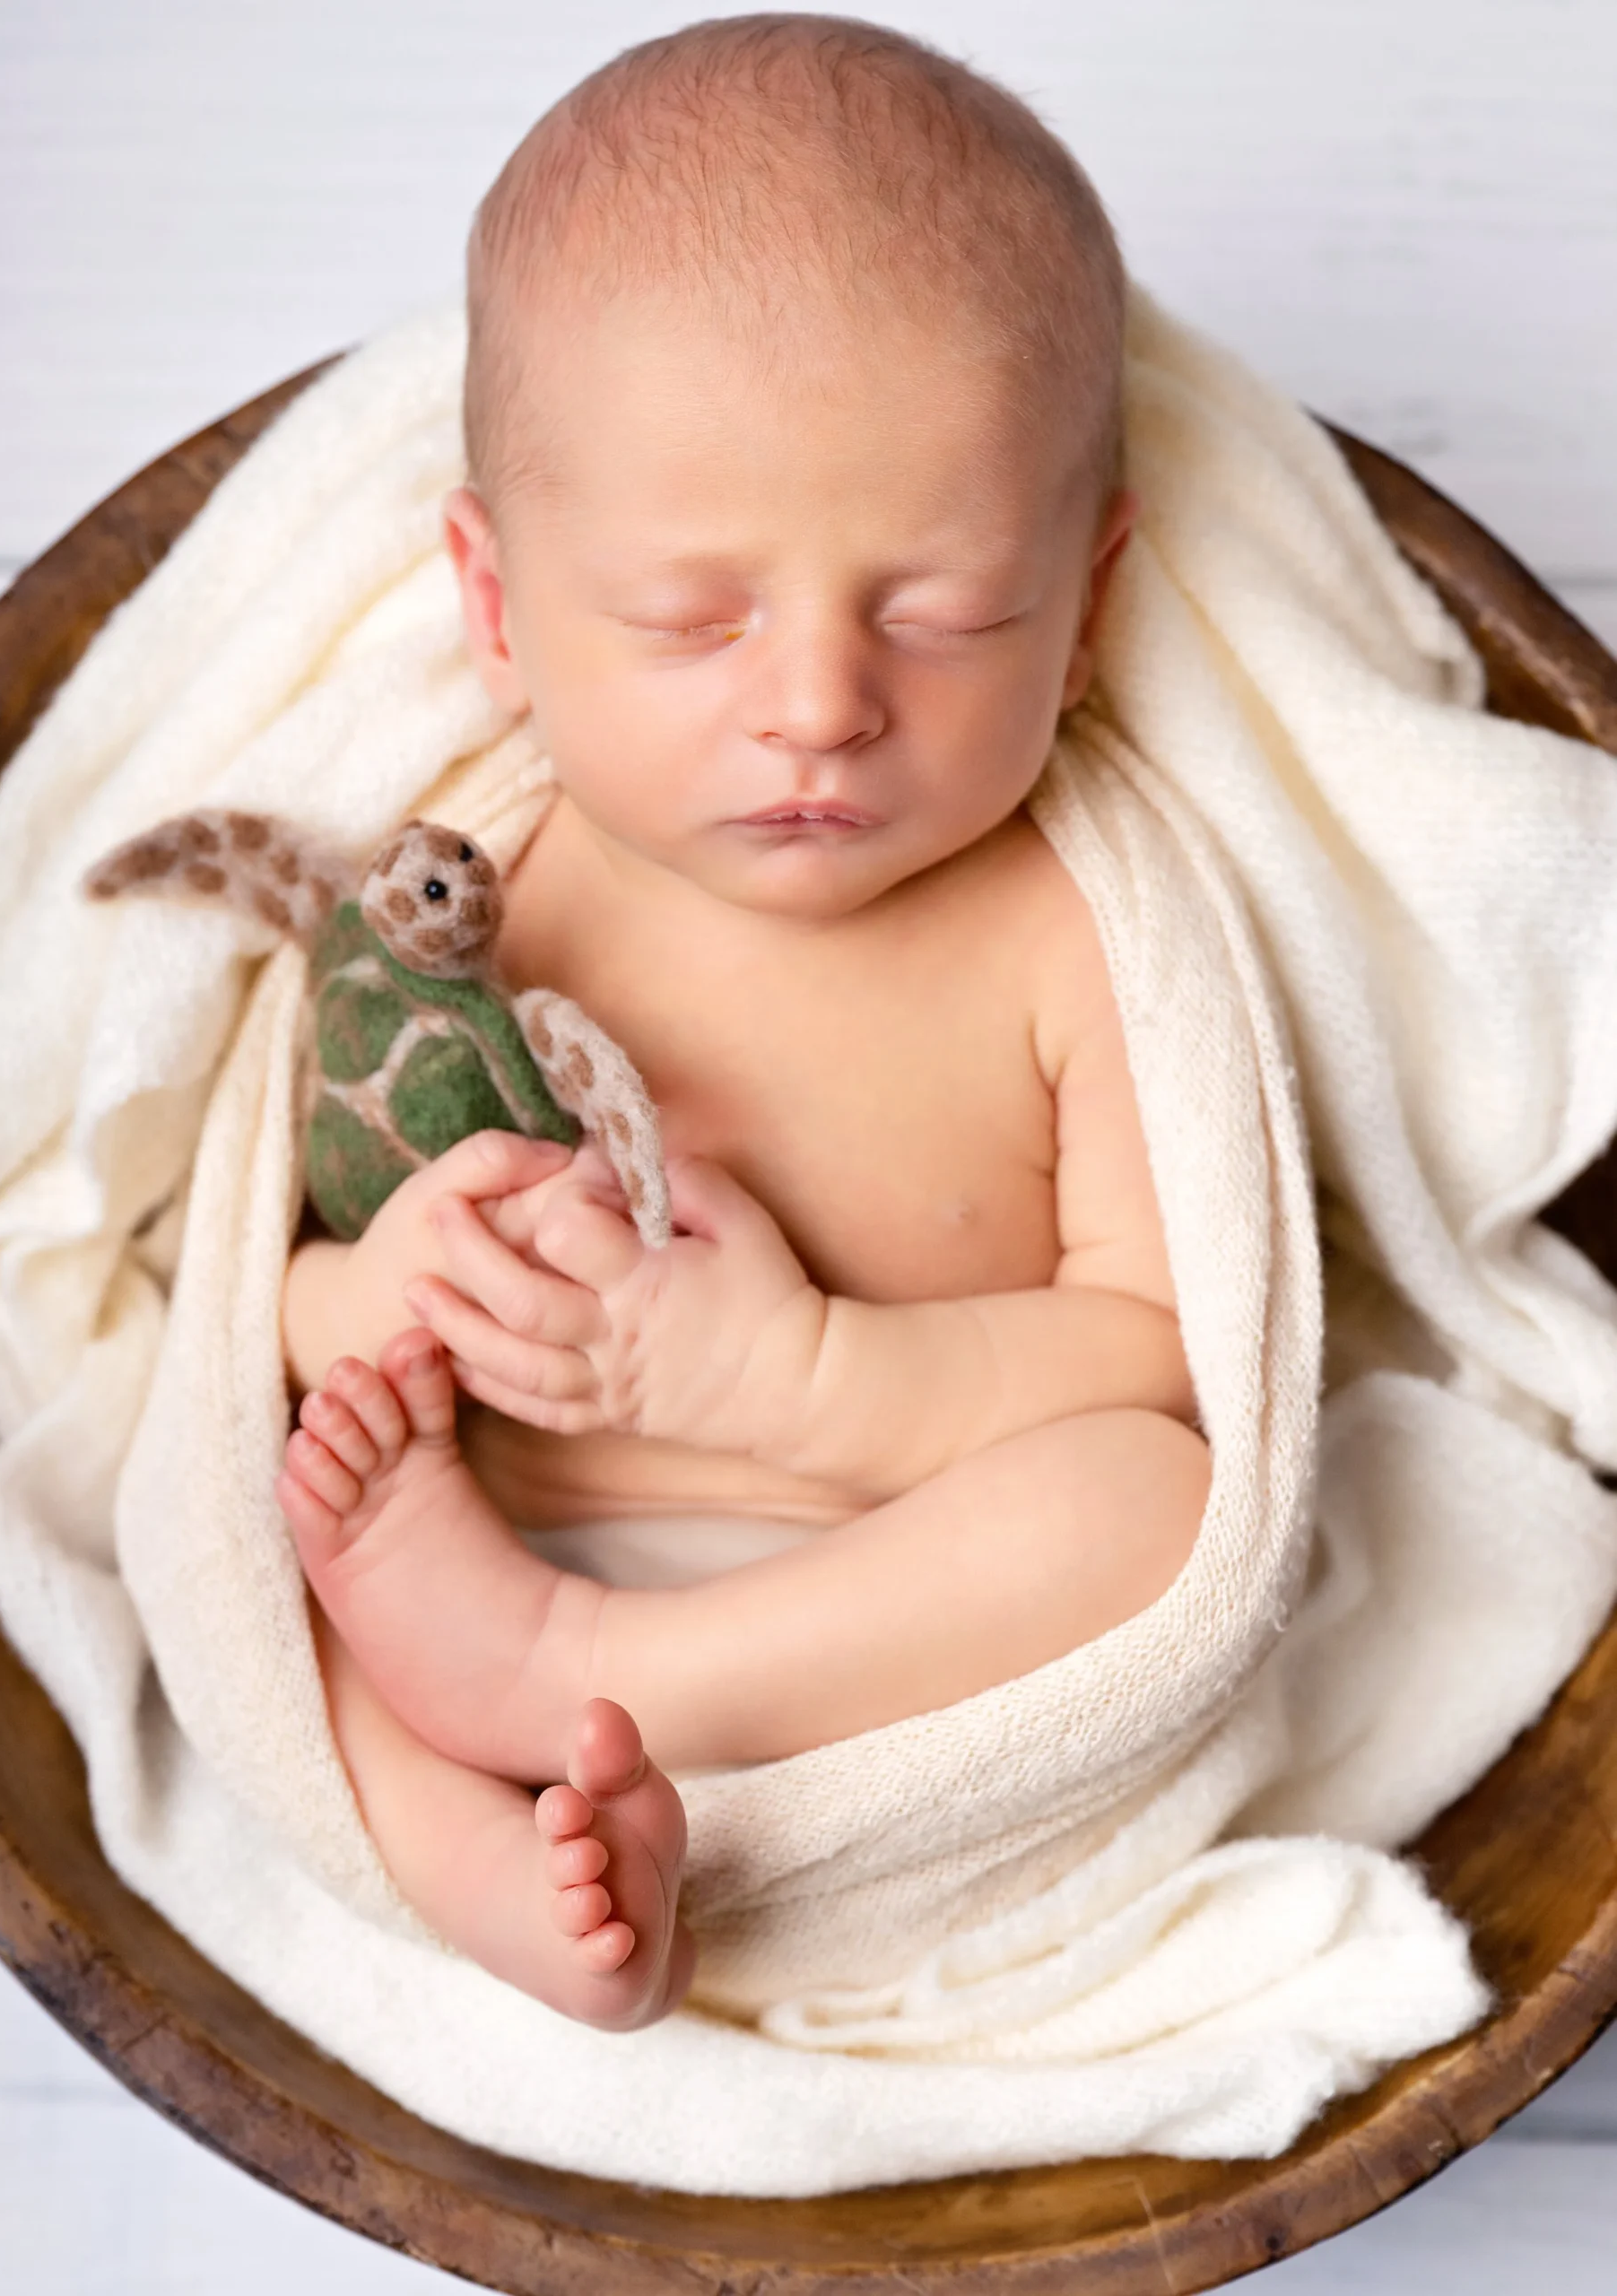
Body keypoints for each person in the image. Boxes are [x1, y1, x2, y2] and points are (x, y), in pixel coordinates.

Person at [275, 11, 1210, 2034]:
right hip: (470, 1544)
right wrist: (380, 1298)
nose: (816, 704)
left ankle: (576, 1696)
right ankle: (503, 1885)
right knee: (303, 1561)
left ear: (1087, 603)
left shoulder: (1066, 938)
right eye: (696, 620)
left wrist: (802, 1378)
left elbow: (1156, 1351)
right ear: (497, 600)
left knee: (1152, 1511)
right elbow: (273, 1300)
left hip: (873, 1605)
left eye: (943, 610)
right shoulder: (480, 896)